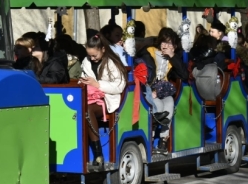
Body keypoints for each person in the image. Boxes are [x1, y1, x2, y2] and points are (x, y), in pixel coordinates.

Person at [137, 28, 188, 155]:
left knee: (169, 104)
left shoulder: (173, 59)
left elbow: (184, 75)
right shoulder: (150, 52)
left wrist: (172, 57)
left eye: (169, 43)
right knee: (158, 106)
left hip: (163, 91)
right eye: (163, 42)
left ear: (174, 46)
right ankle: (151, 138)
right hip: (150, 89)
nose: (165, 46)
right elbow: (145, 73)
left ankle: (163, 141)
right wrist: (151, 90)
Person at [79, 34, 127, 167]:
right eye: (90, 55)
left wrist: (98, 85)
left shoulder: (112, 63)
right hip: (91, 96)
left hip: (109, 98)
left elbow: (120, 85)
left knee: (87, 110)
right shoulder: (86, 61)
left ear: (103, 49)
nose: (92, 58)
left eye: (95, 55)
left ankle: (98, 154)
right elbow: (83, 77)